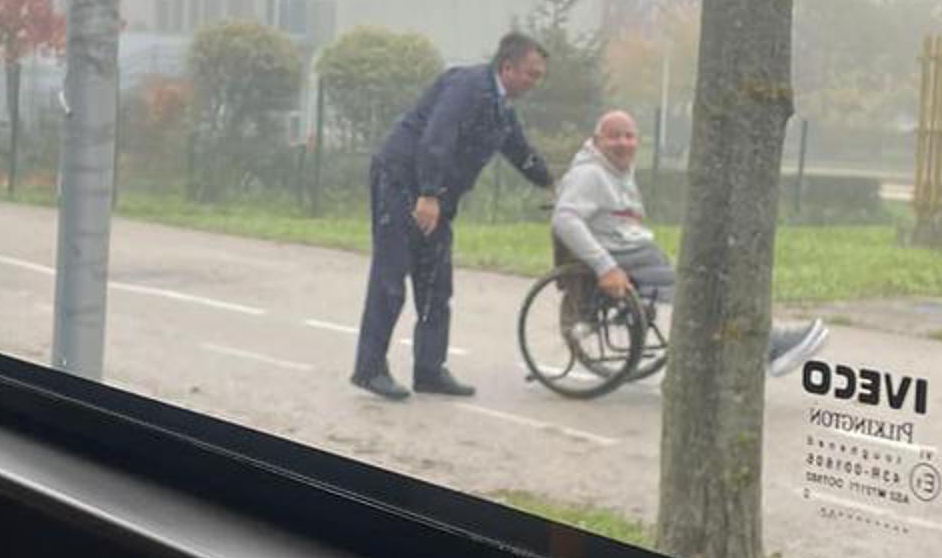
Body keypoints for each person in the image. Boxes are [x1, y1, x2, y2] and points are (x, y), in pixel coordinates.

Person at [351, 33, 555, 400]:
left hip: (438, 197)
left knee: (436, 284)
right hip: (402, 180)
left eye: (539, 76)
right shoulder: (468, 86)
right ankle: (369, 369)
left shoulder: (502, 108)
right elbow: (436, 137)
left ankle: (429, 370)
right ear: (507, 67)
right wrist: (428, 193)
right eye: (531, 74)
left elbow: (519, 151)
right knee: (391, 276)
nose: (534, 83)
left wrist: (551, 182)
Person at [550, 110, 829, 378]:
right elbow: (564, 219)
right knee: (703, 289)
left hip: (637, 255)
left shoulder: (615, 171)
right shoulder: (590, 174)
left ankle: (758, 340)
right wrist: (605, 267)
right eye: (614, 136)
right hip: (623, 259)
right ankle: (769, 346)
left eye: (629, 136)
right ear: (597, 142)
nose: (623, 143)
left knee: (711, 278)